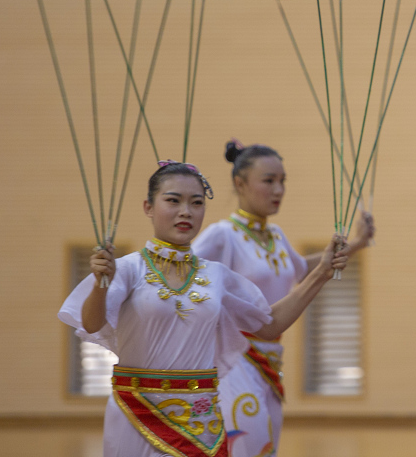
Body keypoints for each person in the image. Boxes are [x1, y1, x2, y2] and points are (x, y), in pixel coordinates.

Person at [59, 161, 348, 457]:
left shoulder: (216, 276)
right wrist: (100, 283)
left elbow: (269, 324)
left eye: (196, 203)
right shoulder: (128, 269)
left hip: (203, 418)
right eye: (173, 201)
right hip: (138, 413)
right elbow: (92, 324)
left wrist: (321, 273)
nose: (186, 211)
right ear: (148, 207)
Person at [192, 141, 376, 457]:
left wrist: (358, 243)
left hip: (270, 361)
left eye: (282, 181)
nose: (278, 189)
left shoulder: (275, 235)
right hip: (235, 359)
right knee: (246, 446)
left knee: (266, 447)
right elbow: (185, 270)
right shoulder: (223, 235)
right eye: (268, 181)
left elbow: (302, 269)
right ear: (240, 184)